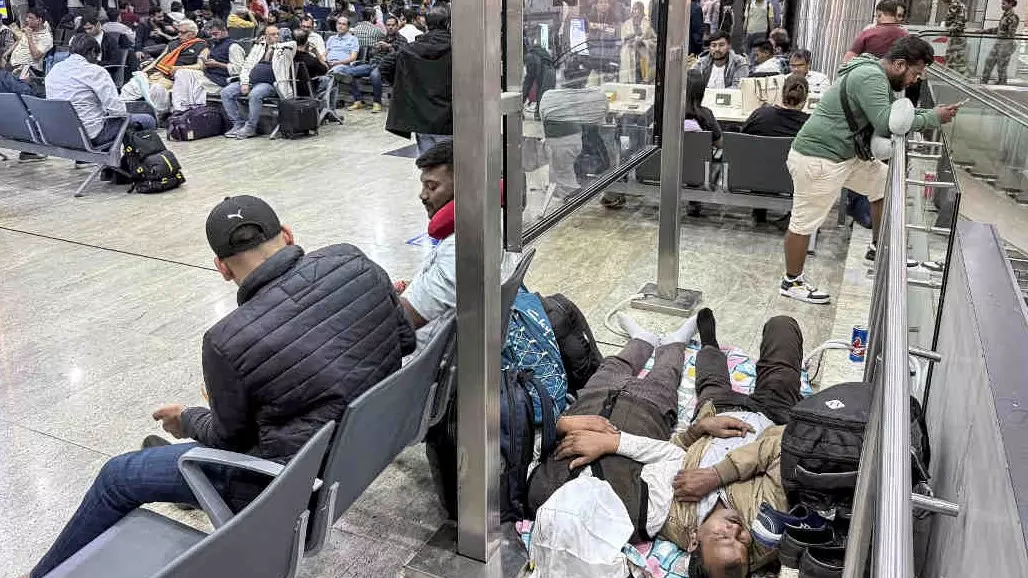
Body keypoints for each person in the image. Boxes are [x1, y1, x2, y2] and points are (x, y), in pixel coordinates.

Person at [22, 195, 416, 578]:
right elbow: (405, 341)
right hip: (359, 448)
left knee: (118, 476)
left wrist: (188, 419)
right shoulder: (352, 260)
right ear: (288, 235)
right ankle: (183, 469)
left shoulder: (228, 340)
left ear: (222, 269)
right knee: (180, 455)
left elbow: (230, 443)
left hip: (282, 485)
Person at [528, 309, 803, 575]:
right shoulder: (766, 526)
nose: (736, 531)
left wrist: (698, 430)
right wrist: (716, 475)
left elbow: (673, 453)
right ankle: (707, 341)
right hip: (771, 416)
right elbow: (784, 446)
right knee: (781, 329)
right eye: (743, 541)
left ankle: (682, 344)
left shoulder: (667, 516)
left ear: (694, 542)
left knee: (698, 376)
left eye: (722, 537)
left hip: (704, 413)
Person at [781, 37, 961, 304]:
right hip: (819, 159)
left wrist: (927, 114)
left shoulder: (872, 73)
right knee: (804, 222)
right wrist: (933, 117)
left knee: (884, 182)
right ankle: (791, 281)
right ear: (900, 64)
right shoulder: (869, 77)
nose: (915, 80)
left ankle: (878, 248)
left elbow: (888, 115)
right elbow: (887, 122)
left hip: (844, 156)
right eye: (915, 73)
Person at [45, 33, 156, 149]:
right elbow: (118, 111)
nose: (96, 61)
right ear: (93, 51)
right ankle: (136, 162)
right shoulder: (95, 71)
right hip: (91, 136)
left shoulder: (55, 69)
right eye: (96, 57)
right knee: (148, 120)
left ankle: (84, 160)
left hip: (62, 134)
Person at [395, 140, 457, 333]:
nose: (422, 195)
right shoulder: (487, 219)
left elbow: (403, 322)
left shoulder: (461, 247)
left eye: (431, 187)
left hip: (417, 355)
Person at [380, 5, 451, 155]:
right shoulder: (459, 49)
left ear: (425, 23)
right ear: (449, 23)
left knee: (429, 168)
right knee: (453, 169)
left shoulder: (410, 49)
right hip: (450, 118)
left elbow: (385, 66)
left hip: (421, 117)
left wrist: (405, 84)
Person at [539, 58, 609, 202]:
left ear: (564, 76)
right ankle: (569, 196)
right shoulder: (593, 96)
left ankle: (576, 200)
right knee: (562, 174)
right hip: (576, 140)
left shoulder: (550, 96)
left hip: (560, 142)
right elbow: (602, 114)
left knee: (563, 177)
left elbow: (542, 117)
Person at [743, 74, 809, 225]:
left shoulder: (760, 115)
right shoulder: (809, 125)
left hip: (754, 177)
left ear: (781, 93)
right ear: (805, 99)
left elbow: (743, 141)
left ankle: (759, 211)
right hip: (790, 180)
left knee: (760, 157)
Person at [221, 24, 296, 138]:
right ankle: (238, 124)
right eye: (272, 34)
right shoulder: (258, 47)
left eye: (277, 34)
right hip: (251, 81)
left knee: (255, 94)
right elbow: (247, 66)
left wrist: (273, 47)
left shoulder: (285, 48)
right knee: (226, 92)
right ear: (265, 36)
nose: (276, 36)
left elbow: (293, 44)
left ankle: (250, 128)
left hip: (270, 84)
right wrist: (245, 82)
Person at [121, 18, 208, 115]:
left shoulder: (202, 46)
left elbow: (200, 66)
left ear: (192, 34)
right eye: (178, 31)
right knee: (132, 84)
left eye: (182, 32)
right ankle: (122, 112)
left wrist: (180, 68)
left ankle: (156, 116)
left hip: (172, 77)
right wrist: (144, 71)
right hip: (157, 72)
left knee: (157, 89)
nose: (179, 34)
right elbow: (159, 60)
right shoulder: (173, 43)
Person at [682, 67, 722, 217]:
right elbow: (719, 144)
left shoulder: (665, 112)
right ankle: (694, 201)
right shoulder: (706, 115)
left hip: (668, 166)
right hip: (699, 171)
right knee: (696, 157)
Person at [338, 5, 385, 111]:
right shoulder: (377, 31)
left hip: (360, 62)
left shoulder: (353, 30)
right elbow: (384, 39)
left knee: (371, 73)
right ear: (373, 17)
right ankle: (361, 101)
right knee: (373, 73)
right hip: (370, 61)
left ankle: (363, 100)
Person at [4, 8, 54, 81]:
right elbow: (19, 41)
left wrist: (29, 37)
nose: (26, 20)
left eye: (30, 18)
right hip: (12, 64)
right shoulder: (29, 29)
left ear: (39, 20)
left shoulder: (46, 38)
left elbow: (36, 56)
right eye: (27, 17)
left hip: (27, 69)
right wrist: (4, 55)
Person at [981, 0, 1020, 85]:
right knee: (989, 61)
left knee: (1001, 65)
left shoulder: (1013, 17)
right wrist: (984, 31)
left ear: (1010, 4)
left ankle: (1002, 83)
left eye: (1004, 4)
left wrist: (1008, 47)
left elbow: (1010, 34)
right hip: (999, 42)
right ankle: (984, 81)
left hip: (1006, 43)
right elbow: (999, 29)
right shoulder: (1005, 16)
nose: (1002, 6)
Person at [619, 0, 657, 83]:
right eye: (633, 9)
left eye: (637, 9)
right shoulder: (626, 24)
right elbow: (622, 40)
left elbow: (654, 40)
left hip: (643, 57)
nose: (634, 11)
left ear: (642, 10)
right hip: (629, 56)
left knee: (642, 80)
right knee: (629, 80)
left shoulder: (647, 24)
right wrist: (630, 40)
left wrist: (643, 42)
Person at [585, 0, 621, 81]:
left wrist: (614, 63)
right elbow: (586, 41)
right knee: (591, 88)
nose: (604, 4)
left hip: (609, 64)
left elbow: (618, 41)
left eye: (606, 2)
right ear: (596, 5)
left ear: (609, 5)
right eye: (601, 2)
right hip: (594, 64)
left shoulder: (615, 20)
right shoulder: (589, 19)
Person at [292, 29, 328, 97]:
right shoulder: (311, 60)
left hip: (290, 89)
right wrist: (317, 53)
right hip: (308, 90)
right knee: (329, 79)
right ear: (306, 42)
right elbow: (326, 69)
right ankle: (319, 101)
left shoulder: (288, 57)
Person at [943, 0, 969, 76]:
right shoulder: (955, 5)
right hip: (955, 37)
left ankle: (965, 81)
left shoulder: (956, 5)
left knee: (958, 63)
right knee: (953, 62)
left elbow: (960, 24)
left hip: (957, 38)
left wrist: (948, 30)